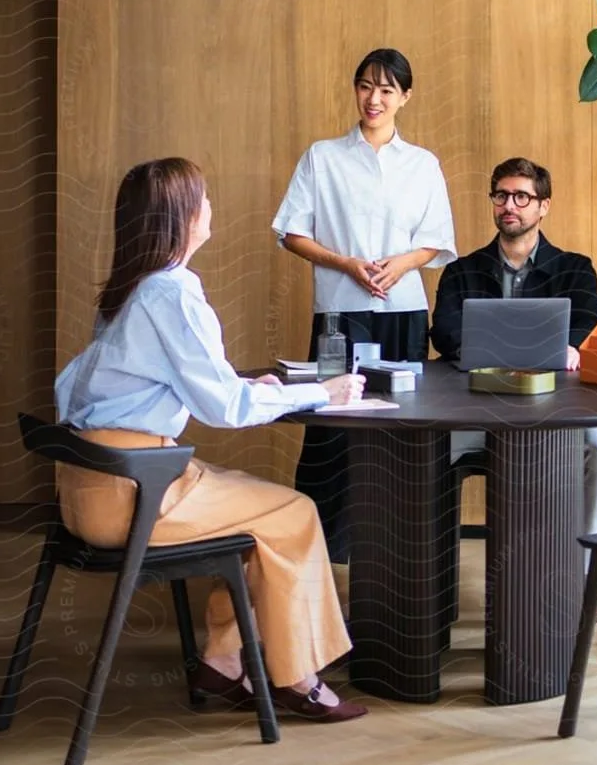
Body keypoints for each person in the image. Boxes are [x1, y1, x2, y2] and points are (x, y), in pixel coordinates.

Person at [54, 157, 369, 723]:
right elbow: (223, 409)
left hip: (92, 484)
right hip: (136, 490)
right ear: (180, 218)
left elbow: (182, 385)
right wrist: (320, 393)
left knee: (259, 512)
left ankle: (223, 664)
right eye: (202, 200)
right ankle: (296, 678)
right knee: (293, 512)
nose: (209, 209)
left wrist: (249, 386)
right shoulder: (171, 292)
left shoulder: (129, 290)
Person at [273, 47, 456, 558]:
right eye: (365, 86)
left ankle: (401, 541)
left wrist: (401, 264)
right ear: (355, 89)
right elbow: (292, 233)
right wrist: (347, 263)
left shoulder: (422, 164)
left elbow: (437, 239)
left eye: (386, 90)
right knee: (334, 422)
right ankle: (323, 545)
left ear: (405, 98)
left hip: (404, 309)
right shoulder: (323, 156)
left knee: (405, 421)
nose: (374, 99)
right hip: (340, 309)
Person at [431, 156, 597, 536]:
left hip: (557, 409)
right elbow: (445, 332)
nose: (508, 206)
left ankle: (579, 581)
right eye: (501, 196)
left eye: (520, 197)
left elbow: (586, 318)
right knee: (418, 450)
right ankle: (433, 586)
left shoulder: (575, 268)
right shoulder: (460, 270)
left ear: (543, 205)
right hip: (474, 408)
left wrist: (571, 346)